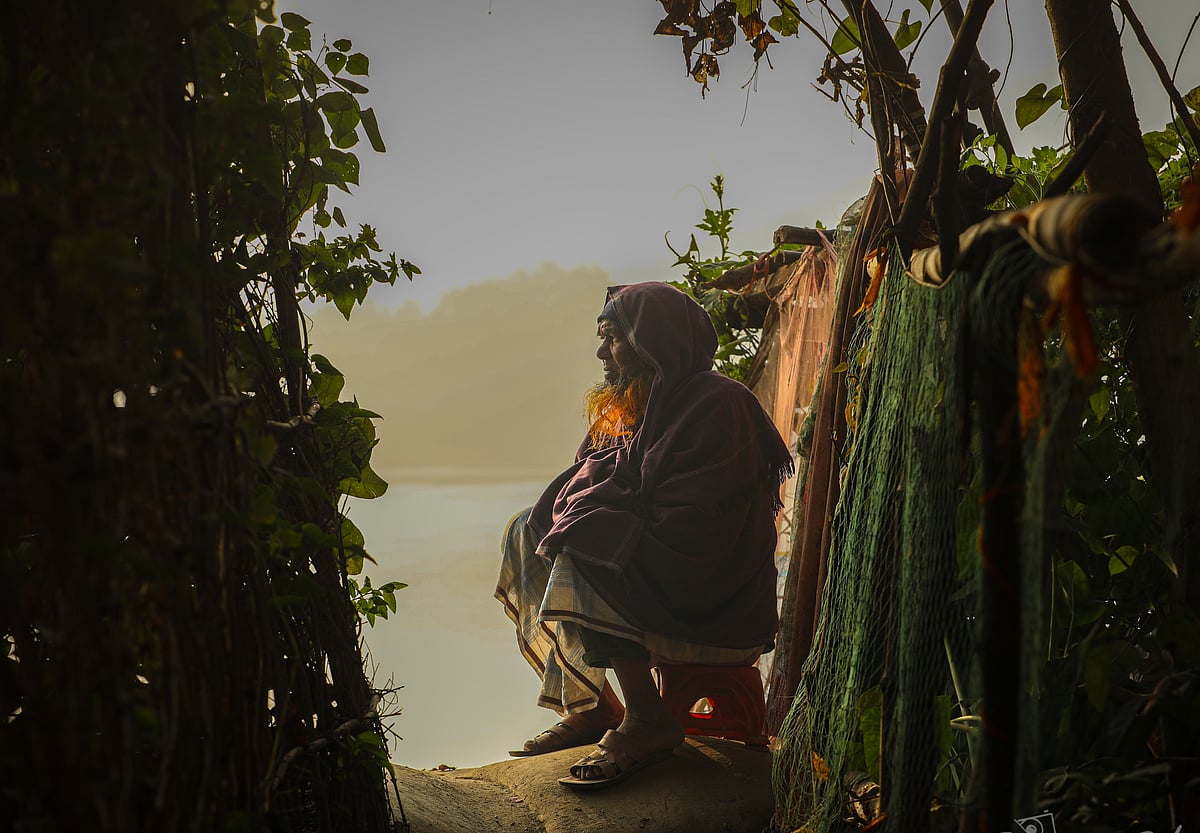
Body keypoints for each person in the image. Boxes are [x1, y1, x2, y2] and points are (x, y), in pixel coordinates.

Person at [495, 282, 791, 790]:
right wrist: (600, 503)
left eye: (612, 338)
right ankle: (596, 705)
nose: (600, 353)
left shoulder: (719, 404)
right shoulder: (628, 408)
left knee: (584, 543)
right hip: (658, 582)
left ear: (655, 343)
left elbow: (699, 531)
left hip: (714, 600)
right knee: (528, 530)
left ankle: (648, 722)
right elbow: (585, 485)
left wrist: (604, 509)